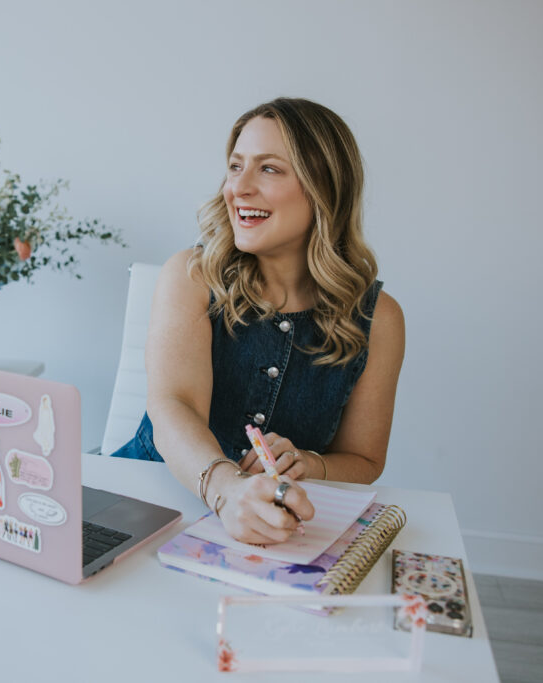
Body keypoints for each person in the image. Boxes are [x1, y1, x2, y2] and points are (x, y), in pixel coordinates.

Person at [111, 98, 405, 547]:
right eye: (235, 167)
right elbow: (174, 406)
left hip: (272, 531)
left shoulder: (379, 318)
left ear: (324, 188)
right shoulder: (191, 275)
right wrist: (228, 491)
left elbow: (364, 460)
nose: (238, 188)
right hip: (146, 499)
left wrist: (311, 464)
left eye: (268, 169)